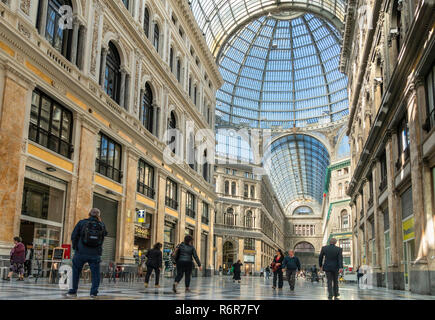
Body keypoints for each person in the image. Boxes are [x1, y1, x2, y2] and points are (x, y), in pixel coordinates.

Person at [65, 208, 107, 298]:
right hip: (95, 254)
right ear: (98, 215)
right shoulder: (102, 225)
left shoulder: (82, 223)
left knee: (75, 271)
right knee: (95, 274)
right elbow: (104, 236)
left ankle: (72, 292)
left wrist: (76, 247)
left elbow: (73, 236)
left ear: (89, 214)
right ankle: (93, 293)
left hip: (80, 252)